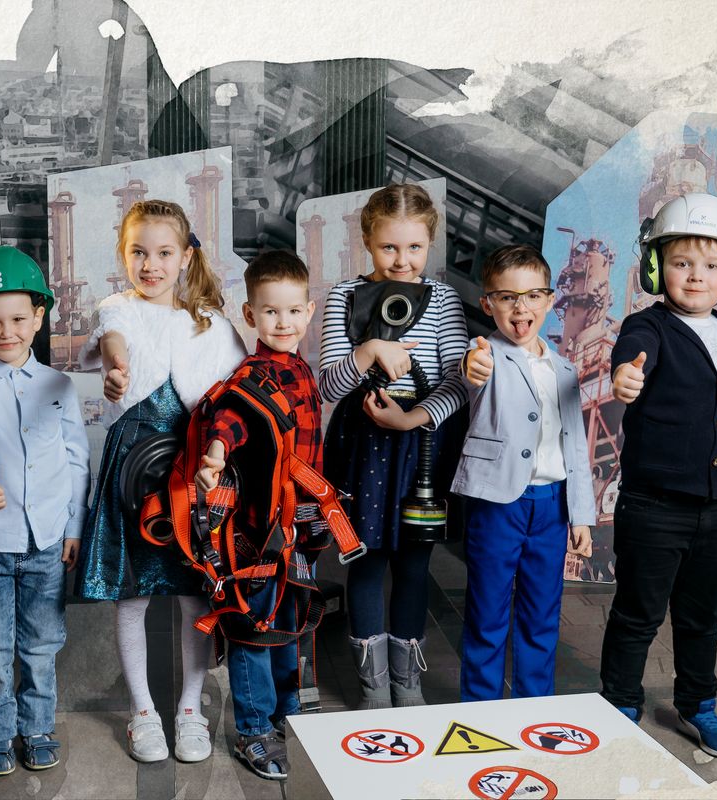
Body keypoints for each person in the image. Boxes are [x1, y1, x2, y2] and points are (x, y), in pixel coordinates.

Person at [73, 200, 246, 763]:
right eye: (139, 252)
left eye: (164, 253)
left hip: (195, 471)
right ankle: (142, 710)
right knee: (133, 592)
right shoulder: (116, 307)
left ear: (186, 256)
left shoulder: (212, 324)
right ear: (123, 255)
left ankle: (190, 707)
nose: (151, 265)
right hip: (133, 470)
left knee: (195, 591)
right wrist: (116, 372)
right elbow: (114, 342)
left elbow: (236, 393)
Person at [599, 192, 717, 759]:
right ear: (653, 267)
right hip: (655, 506)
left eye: (712, 266)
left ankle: (698, 704)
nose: (696, 276)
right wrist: (625, 376)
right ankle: (619, 702)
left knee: (701, 617)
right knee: (637, 613)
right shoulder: (648, 327)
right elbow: (631, 354)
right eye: (681, 263)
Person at [318, 183, 468, 708]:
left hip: (421, 445)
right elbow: (329, 387)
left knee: (413, 563)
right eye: (389, 247)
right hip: (362, 446)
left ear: (430, 244)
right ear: (367, 241)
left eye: (414, 247)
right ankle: (374, 688)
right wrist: (369, 350)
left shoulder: (444, 299)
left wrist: (412, 419)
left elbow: (458, 383)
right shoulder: (344, 296)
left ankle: (408, 684)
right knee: (365, 560)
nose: (402, 260)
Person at [0, 246, 90, 775]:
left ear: (38, 317)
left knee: (41, 646)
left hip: (48, 541)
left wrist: (74, 526)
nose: (6, 332)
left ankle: (36, 728)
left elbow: (76, 460)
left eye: (16, 319)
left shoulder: (59, 386)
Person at [194, 250, 319, 780]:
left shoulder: (302, 370)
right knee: (253, 627)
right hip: (257, 533)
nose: (283, 322)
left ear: (309, 311)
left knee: (289, 623)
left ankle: (289, 716)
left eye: (292, 311)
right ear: (250, 315)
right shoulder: (252, 376)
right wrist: (216, 453)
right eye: (270, 312)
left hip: (298, 528)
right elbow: (230, 420)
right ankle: (254, 729)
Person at [452, 244, 594, 702]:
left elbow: (576, 446)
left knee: (541, 615)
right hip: (498, 504)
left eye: (533, 296)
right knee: (487, 612)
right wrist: (471, 367)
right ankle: (480, 707)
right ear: (487, 303)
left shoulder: (565, 369)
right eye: (507, 297)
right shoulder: (484, 354)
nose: (521, 307)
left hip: (552, 506)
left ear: (550, 301)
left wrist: (581, 515)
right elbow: (471, 374)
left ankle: (534, 706)